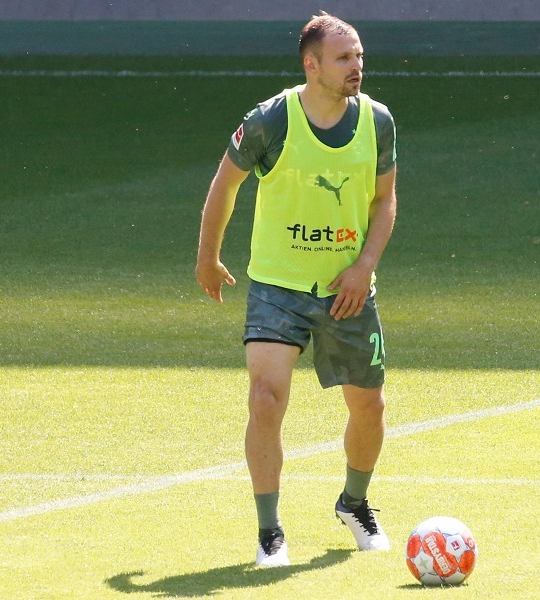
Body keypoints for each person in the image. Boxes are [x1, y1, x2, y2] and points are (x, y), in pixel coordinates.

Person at [195, 12, 397, 568]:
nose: (357, 66)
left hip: (347, 290)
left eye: (358, 56)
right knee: (265, 399)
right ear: (312, 65)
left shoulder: (378, 122)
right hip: (277, 288)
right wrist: (208, 256)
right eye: (344, 58)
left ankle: (354, 504)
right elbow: (225, 182)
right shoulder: (270, 122)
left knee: (370, 408)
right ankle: (269, 533)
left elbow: (385, 201)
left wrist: (365, 266)